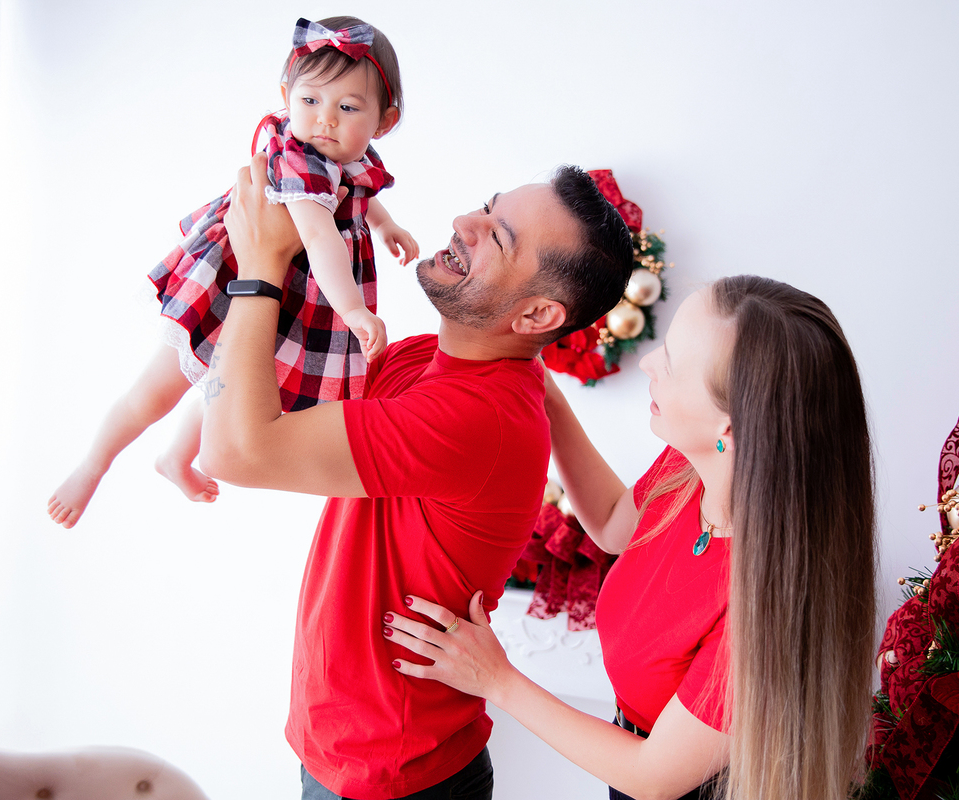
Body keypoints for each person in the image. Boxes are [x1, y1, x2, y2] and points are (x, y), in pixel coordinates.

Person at [197, 154, 633, 799]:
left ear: (538, 318)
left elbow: (237, 452)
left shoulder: (473, 418)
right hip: (352, 749)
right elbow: (271, 398)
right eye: (487, 207)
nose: (463, 222)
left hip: (389, 775)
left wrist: (260, 270)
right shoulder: (430, 361)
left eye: (497, 235)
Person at [384, 277, 878, 800]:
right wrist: (538, 384)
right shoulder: (690, 470)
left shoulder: (764, 608)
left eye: (673, 362)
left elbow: (653, 776)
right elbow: (615, 521)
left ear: (728, 429)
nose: (648, 364)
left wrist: (497, 680)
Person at [48, 16, 417, 528]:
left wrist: (387, 224)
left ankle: (175, 456)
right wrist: (353, 309)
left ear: (384, 122)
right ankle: (92, 466)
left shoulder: (345, 158)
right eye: (309, 101)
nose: (325, 120)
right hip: (234, 283)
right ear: (286, 94)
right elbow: (318, 234)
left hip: (290, 295)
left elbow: (356, 196)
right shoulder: (300, 161)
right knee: (159, 388)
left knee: (240, 384)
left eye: (347, 107)